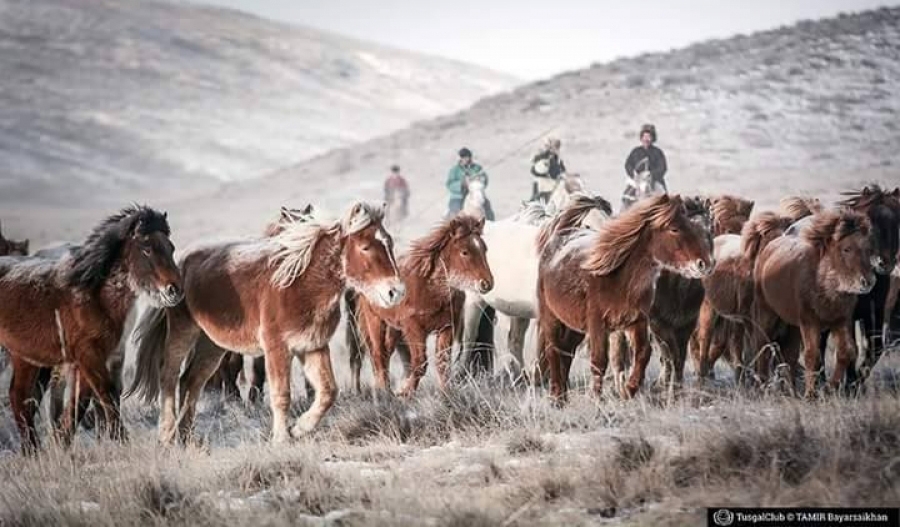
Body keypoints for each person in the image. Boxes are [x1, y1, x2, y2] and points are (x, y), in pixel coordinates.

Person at [623, 124, 668, 208]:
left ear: (653, 138)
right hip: (637, 180)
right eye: (644, 136)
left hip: (653, 181)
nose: (646, 139)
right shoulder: (635, 151)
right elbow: (628, 164)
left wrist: (651, 175)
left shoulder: (658, 152)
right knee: (626, 197)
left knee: (663, 199)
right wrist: (633, 173)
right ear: (641, 138)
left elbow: (663, 168)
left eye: (649, 137)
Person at [446, 147, 494, 220]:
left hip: (475, 193)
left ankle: (491, 224)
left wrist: (480, 179)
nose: (466, 159)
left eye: (468, 157)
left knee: (487, 206)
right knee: (455, 211)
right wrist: (462, 183)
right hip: (458, 196)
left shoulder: (477, 168)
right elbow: (449, 184)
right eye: (464, 157)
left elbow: (485, 179)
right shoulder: (454, 170)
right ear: (461, 158)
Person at [530, 137, 566, 202]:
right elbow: (534, 171)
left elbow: (562, 171)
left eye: (557, 147)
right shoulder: (543, 158)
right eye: (546, 146)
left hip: (551, 190)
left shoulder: (557, 159)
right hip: (543, 190)